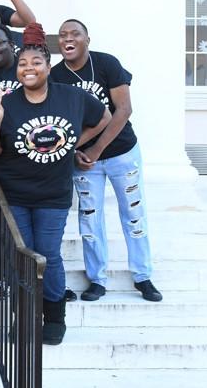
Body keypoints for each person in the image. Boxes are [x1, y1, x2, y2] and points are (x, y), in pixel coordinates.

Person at [0, 23, 111, 345]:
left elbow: (105, 117)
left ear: (48, 67)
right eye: (23, 64)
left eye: (36, 63)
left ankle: (54, 315)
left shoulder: (72, 97)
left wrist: (78, 143)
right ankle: (23, 316)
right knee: (22, 256)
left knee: (48, 254)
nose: (29, 68)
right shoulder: (7, 104)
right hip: (16, 194)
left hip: (53, 195)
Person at [51, 19, 162, 303]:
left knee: (134, 215)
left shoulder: (107, 64)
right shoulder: (55, 76)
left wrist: (97, 148)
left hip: (121, 152)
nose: (68, 39)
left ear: (87, 39)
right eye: (62, 35)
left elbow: (124, 109)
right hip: (84, 159)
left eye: (75, 33)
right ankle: (97, 279)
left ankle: (142, 275)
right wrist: (74, 151)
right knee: (89, 219)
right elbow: (60, 122)